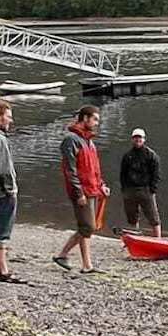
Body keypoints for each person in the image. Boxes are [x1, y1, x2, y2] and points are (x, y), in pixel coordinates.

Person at [53, 105, 110, 274]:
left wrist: (102, 185)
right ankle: (64, 255)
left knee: (86, 227)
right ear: (85, 118)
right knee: (88, 227)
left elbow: (94, 169)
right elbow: (70, 170)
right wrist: (79, 193)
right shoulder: (71, 140)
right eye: (95, 119)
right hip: (82, 192)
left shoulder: (89, 142)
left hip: (92, 189)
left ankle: (86, 265)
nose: (96, 123)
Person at [120, 128, 162, 237]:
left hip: (146, 189)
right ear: (132, 139)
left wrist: (152, 190)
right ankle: (135, 236)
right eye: (135, 138)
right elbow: (123, 174)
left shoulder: (151, 155)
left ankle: (158, 239)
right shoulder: (127, 156)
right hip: (130, 190)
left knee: (153, 217)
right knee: (132, 217)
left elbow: (156, 174)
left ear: (144, 139)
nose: (137, 140)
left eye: (140, 138)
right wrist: (124, 189)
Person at [0, 99, 24, 284]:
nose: (10, 121)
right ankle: (2, 269)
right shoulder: (0, 139)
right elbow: (4, 170)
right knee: (3, 231)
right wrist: (11, 190)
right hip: (2, 193)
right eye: (8, 117)